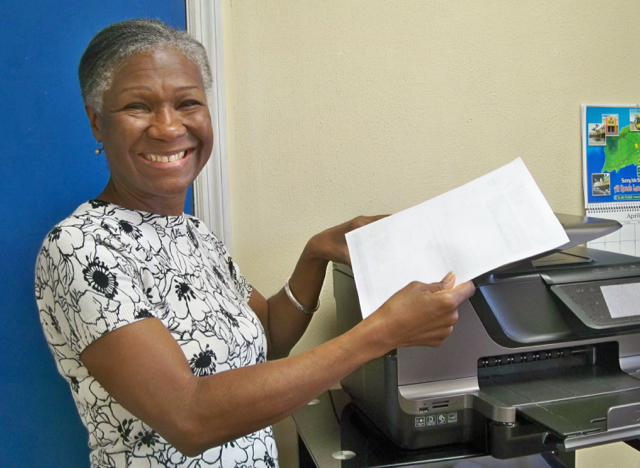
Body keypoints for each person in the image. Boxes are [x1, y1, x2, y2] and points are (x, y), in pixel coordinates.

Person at [34, 18, 475, 468]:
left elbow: (264, 342)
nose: (168, 128)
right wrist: (381, 333)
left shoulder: (195, 233)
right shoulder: (81, 248)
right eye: (138, 107)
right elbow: (190, 418)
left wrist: (315, 253)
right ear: (96, 123)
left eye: (187, 103)